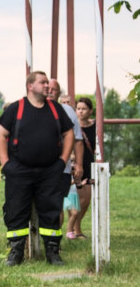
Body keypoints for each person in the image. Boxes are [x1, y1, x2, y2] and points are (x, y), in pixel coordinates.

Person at [0, 70, 74, 266]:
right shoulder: (16, 108)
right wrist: (6, 163)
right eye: (43, 82)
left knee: (51, 211)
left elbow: (69, 133)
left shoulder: (55, 108)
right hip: (19, 171)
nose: (47, 86)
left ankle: (53, 252)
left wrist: (62, 161)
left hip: (50, 171)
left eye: (47, 83)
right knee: (16, 210)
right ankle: (16, 253)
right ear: (30, 86)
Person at [47, 81, 84, 232]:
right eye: (47, 88)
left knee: (57, 205)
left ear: (58, 93)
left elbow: (78, 139)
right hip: (35, 167)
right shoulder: (30, 108)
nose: (49, 92)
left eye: (53, 89)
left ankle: (54, 241)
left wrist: (79, 165)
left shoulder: (67, 111)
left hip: (61, 167)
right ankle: (32, 242)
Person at [73, 96, 96, 239]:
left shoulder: (95, 126)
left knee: (87, 200)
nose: (81, 112)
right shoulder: (73, 127)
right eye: (78, 109)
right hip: (77, 165)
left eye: (84, 109)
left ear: (90, 111)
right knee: (80, 200)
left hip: (91, 165)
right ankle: (76, 230)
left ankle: (77, 226)